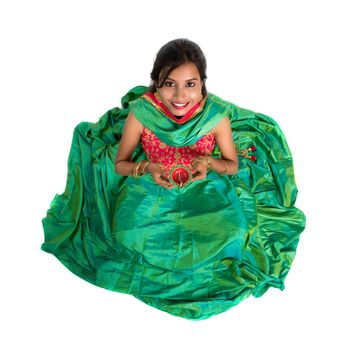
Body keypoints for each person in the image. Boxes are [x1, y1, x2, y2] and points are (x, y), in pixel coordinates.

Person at [41, 38, 306, 321]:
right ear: (157, 83)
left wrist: (208, 163)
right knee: (126, 236)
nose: (180, 95)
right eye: (170, 84)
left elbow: (231, 165)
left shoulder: (216, 116)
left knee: (233, 235)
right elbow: (121, 164)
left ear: (202, 84)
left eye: (190, 84)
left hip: (204, 187)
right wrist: (147, 168)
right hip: (151, 185)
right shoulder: (142, 113)